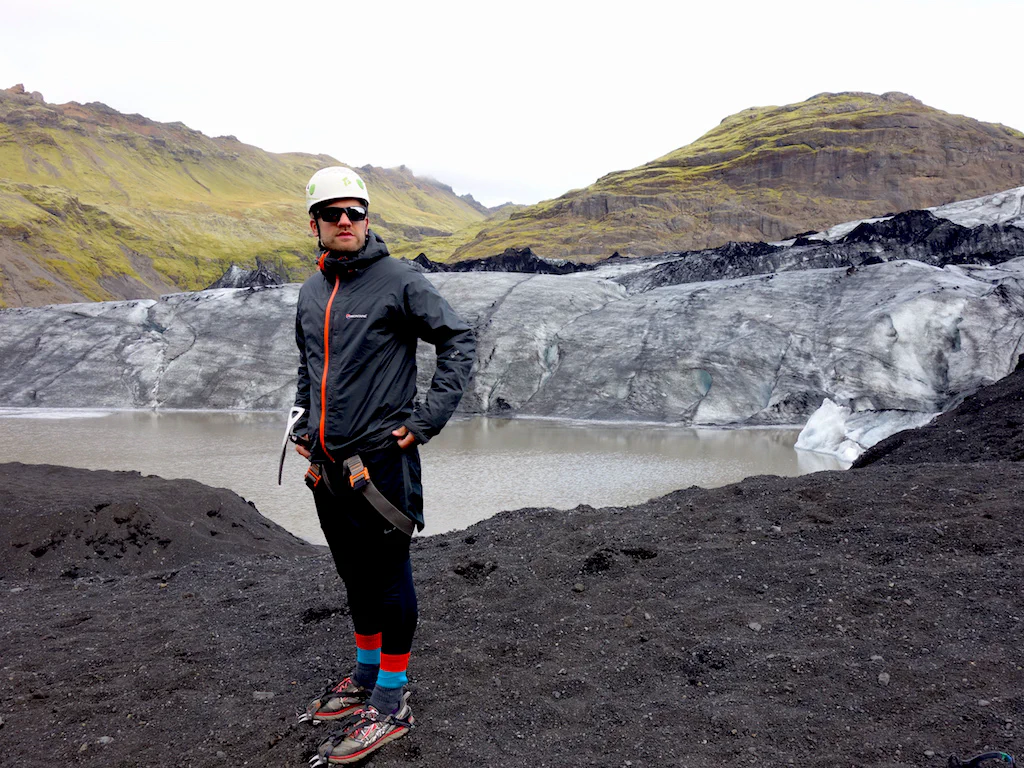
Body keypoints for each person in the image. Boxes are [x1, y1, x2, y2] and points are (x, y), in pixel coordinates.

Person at [291, 166, 475, 765]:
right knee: (353, 573)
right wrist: (302, 422)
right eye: (333, 213)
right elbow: (309, 364)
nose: (345, 221)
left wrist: (426, 420)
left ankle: (392, 700)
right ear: (315, 224)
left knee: (389, 577)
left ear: (367, 219)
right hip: (327, 465)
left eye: (356, 212)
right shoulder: (311, 291)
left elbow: (459, 338)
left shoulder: (399, 280)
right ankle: (366, 676)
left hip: (379, 464)